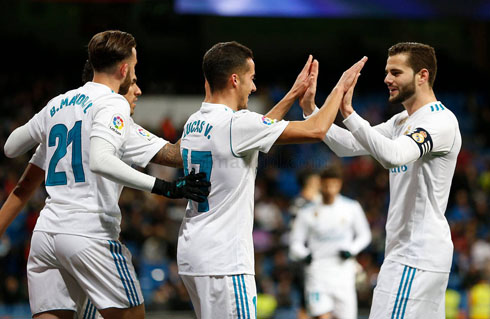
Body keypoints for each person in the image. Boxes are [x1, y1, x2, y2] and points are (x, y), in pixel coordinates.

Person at [3, 30, 209, 319]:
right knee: (133, 316)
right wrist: (165, 187)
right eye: (134, 72)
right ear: (124, 69)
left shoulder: (59, 104)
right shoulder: (114, 105)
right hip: (89, 231)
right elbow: (106, 159)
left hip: (46, 233)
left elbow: (11, 147)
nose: (136, 85)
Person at [177, 40, 367, 319]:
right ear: (234, 79)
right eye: (251, 79)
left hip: (193, 253)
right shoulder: (236, 124)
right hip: (225, 260)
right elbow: (315, 130)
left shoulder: (195, 122)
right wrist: (340, 87)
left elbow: (254, 131)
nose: (253, 87)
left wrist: (292, 94)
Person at [301, 42, 462, 318]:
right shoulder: (402, 121)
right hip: (409, 254)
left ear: (422, 76)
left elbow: (394, 155)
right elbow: (348, 146)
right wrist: (312, 111)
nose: (387, 78)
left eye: (396, 72)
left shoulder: (440, 121)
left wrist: (349, 113)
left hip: (416, 255)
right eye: (387, 72)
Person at [289, 164, 371, 319]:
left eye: (334, 185)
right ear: (321, 184)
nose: (330, 189)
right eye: (326, 185)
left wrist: (352, 249)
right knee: (321, 315)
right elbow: (295, 243)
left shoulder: (351, 207)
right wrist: (304, 254)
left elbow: (365, 235)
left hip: (343, 273)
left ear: (340, 185)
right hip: (317, 272)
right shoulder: (306, 212)